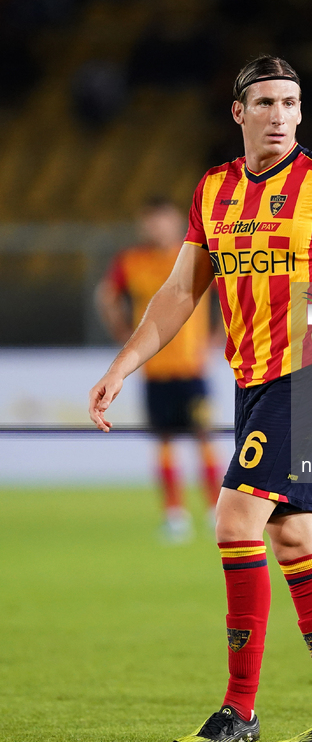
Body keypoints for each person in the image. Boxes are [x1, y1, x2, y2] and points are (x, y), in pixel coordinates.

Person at [89, 56, 312, 742]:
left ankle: (238, 710)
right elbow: (179, 293)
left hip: (310, 377)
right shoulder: (213, 190)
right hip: (250, 381)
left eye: (290, 102)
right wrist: (123, 363)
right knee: (293, 539)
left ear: (301, 111)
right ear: (238, 112)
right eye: (263, 102)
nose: (279, 115)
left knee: (235, 519)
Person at [95, 197, 222, 542]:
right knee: (164, 440)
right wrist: (124, 336)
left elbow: (227, 292)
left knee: (204, 437)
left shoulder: (193, 255)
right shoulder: (132, 260)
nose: (157, 228)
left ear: (177, 221)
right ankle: (174, 515)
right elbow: (106, 295)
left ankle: (216, 510)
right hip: (154, 370)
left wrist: (217, 335)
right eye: (151, 221)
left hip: (192, 368)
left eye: (162, 220)